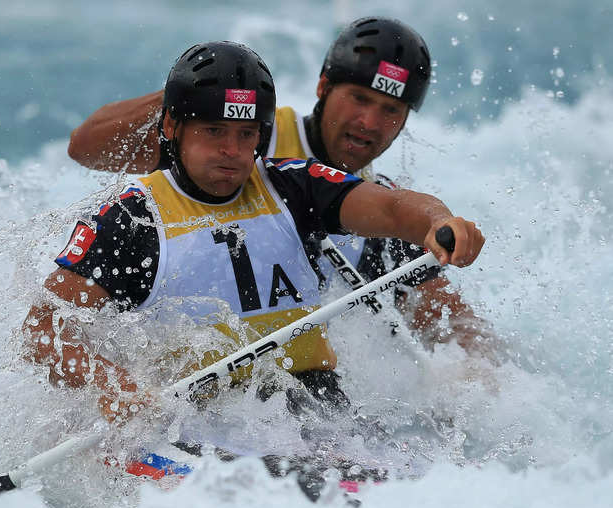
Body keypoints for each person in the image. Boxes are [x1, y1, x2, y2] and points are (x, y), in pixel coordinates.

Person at [25, 40, 485, 427]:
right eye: (213, 130)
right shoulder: (131, 219)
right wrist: (112, 385)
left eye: (247, 135)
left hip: (314, 403)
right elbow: (43, 328)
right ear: (171, 126)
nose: (231, 151)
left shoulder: (296, 185)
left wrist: (439, 219)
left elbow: (389, 206)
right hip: (194, 416)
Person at [66, 17, 497, 360]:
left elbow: (451, 322)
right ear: (323, 86)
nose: (368, 123)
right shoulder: (243, 142)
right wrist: (198, 85)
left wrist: (478, 378)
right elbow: (86, 148)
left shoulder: (377, 207)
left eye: (389, 109)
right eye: (359, 99)